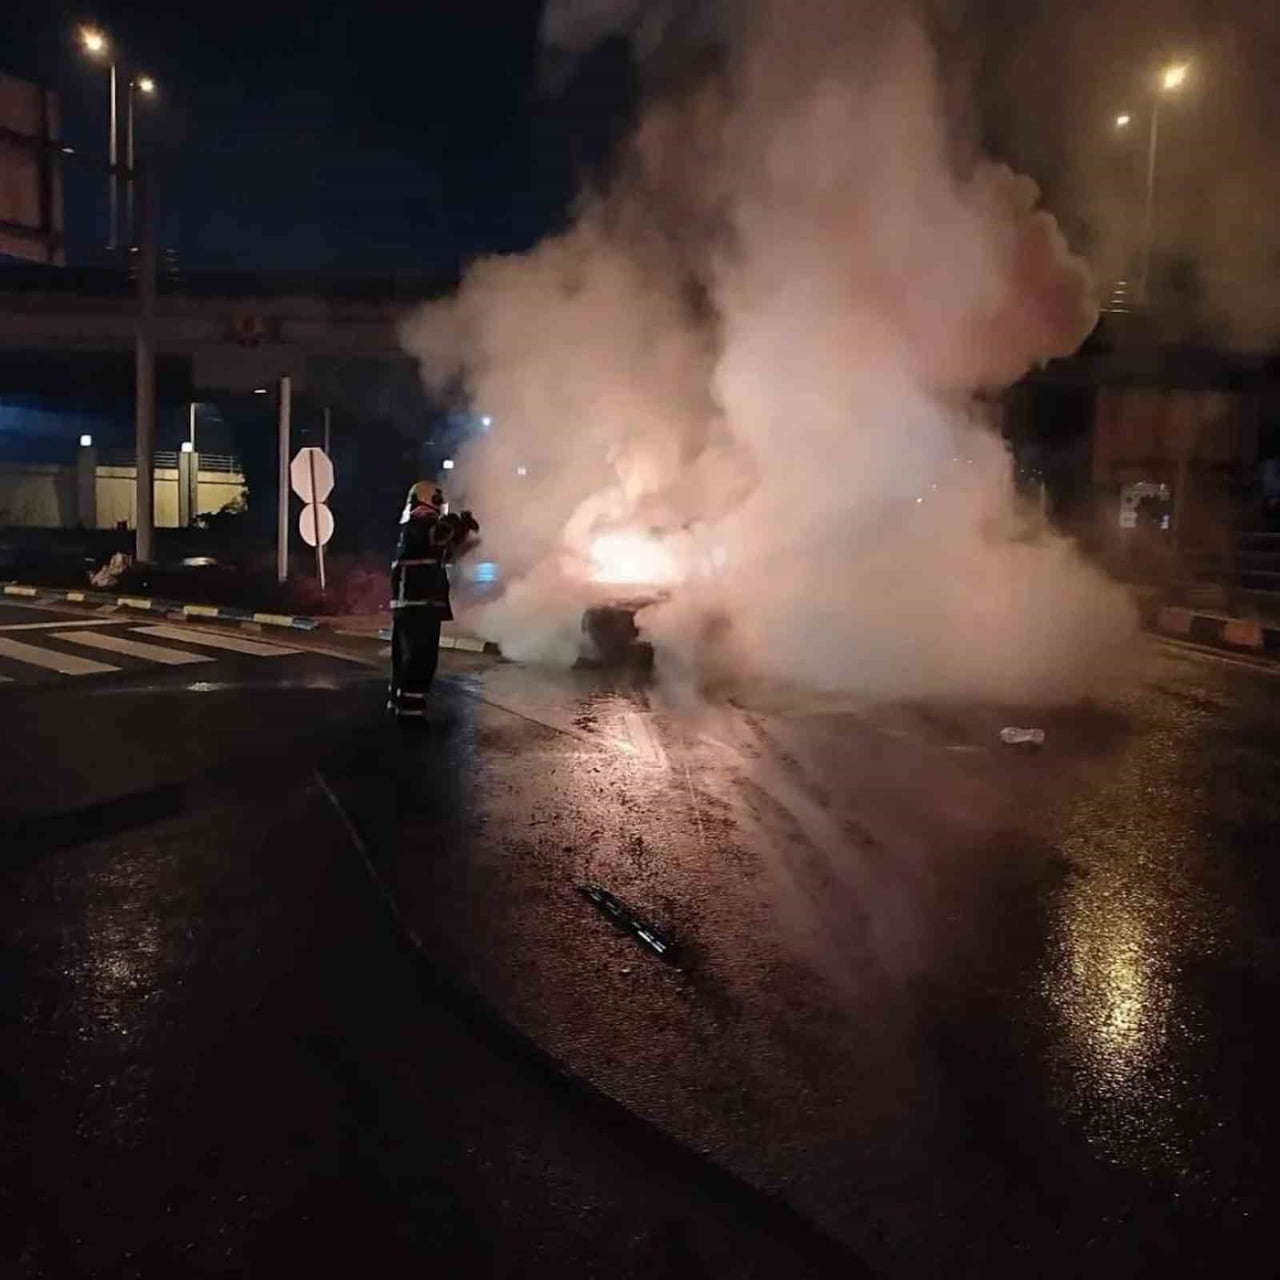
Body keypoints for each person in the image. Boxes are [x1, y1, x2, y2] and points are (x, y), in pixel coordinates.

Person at [388, 480, 479, 718]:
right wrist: (455, 523)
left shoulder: (413, 529)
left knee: (404, 657)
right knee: (420, 659)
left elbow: (448, 551)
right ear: (430, 499)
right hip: (419, 606)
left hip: (411, 605)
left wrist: (463, 530)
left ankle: (398, 701)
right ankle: (411, 712)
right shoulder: (421, 525)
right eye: (438, 499)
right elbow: (438, 536)